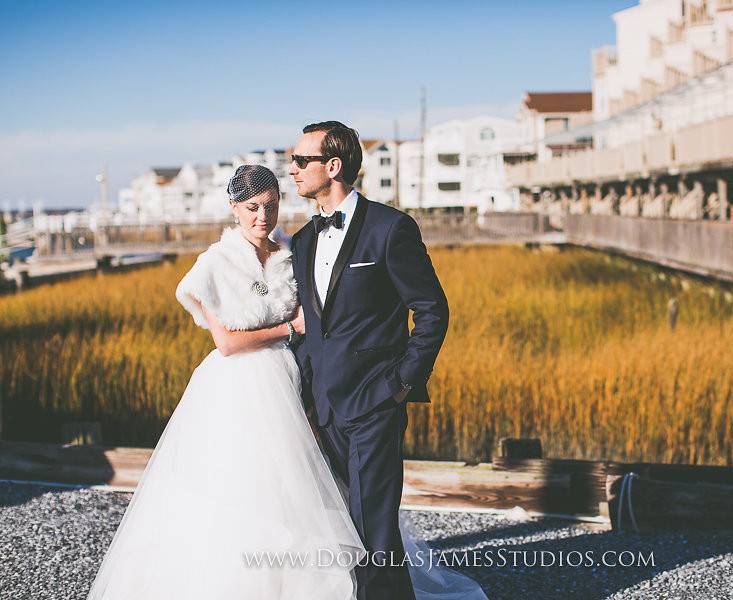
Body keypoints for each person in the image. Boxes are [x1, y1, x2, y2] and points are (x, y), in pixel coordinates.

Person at [86, 165, 366, 599]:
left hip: (292, 381)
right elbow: (228, 344)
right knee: (240, 482)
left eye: (271, 206)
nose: (262, 217)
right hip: (238, 388)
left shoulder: (292, 253)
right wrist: (291, 329)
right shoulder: (212, 265)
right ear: (234, 208)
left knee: (297, 484)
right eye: (252, 207)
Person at [288, 121, 486, 600]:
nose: (290, 170)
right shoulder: (302, 241)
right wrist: (305, 397)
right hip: (323, 407)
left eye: (300, 161)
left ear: (332, 167)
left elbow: (432, 310)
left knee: (372, 526)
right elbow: (311, 326)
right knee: (349, 525)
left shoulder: (390, 228)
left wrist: (400, 383)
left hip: (375, 400)